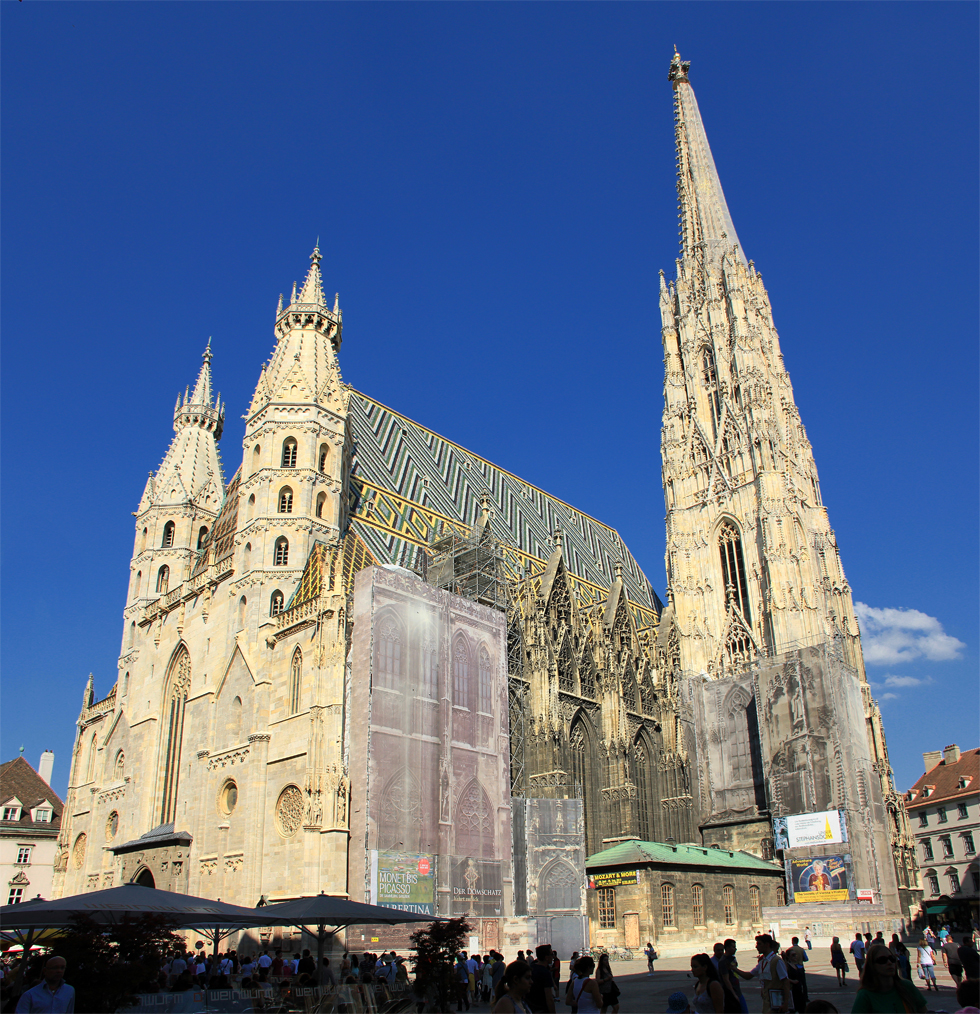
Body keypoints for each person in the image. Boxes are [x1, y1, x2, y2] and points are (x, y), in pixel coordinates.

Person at [851, 942, 928, 1012]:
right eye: (882, 960)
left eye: (892, 959)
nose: (889, 962)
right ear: (872, 966)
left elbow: (923, 1010)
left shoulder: (907, 986)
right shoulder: (865, 995)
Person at [741, 935, 790, 1013]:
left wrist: (786, 1003)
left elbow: (785, 982)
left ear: (767, 944)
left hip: (777, 1002)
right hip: (767, 1002)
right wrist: (733, 969)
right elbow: (749, 976)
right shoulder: (763, 961)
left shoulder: (776, 961)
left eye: (759, 944)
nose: (756, 947)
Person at [718, 939, 749, 1014]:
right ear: (727, 948)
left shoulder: (732, 958)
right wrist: (733, 994)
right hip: (732, 993)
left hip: (737, 990)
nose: (735, 949)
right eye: (733, 947)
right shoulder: (723, 961)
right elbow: (726, 980)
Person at [525, 946, 556, 1014]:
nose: (553, 956)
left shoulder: (530, 968)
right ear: (546, 957)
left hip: (530, 1009)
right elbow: (549, 998)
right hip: (542, 1009)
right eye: (551, 954)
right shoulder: (545, 972)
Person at [783, 937, 808, 1012]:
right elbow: (806, 959)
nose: (795, 956)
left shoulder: (795, 966)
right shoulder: (788, 966)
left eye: (795, 955)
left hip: (799, 990)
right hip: (793, 991)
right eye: (793, 955)